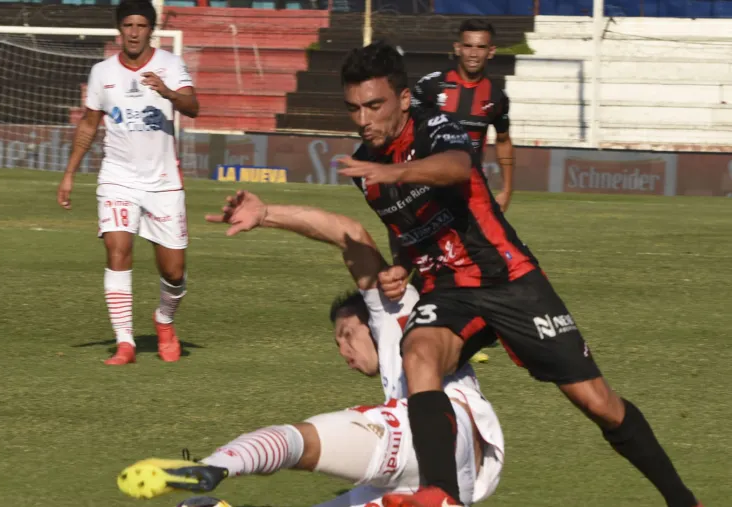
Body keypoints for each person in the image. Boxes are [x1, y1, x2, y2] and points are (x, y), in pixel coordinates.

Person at [335, 41, 700, 507]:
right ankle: (441, 494)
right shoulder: (365, 165)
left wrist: (396, 173)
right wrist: (402, 265)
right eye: (353, 109)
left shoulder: (435, 127)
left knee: (599, 404)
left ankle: (683, 501)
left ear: (403, 100)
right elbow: (404, 227)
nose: (364, 120)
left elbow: (458, 167)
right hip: (449, 288)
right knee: (418, 353)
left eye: (374, 106)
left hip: (509, 279)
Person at [117, 191, 504, 506]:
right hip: (457, 479)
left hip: (435, 432)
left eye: (346, 334)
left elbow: (346, 231)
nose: (344, 351)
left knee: (299, 440)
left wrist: (267, 213)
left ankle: (214, 466)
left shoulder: (394, 309)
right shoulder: (407, 350)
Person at [56, 0, 199, 365]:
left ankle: (164, 321)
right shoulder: (101, 72)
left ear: (151, 29)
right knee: (117, 251)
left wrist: (166, 92)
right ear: (120, 29)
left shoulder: (170, 64)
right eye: (128, 26)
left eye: (141, 26)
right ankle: (125, 343)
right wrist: (70, 173)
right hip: (117, 179)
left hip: (163, 182)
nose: (134, 32)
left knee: (174, 272)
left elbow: (193, 105)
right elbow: (89, 124)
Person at [411, 19, 513, 213]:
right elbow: (402, 127)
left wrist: (506, 190)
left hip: (470, 192)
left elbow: (503, 141)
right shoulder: (430, 86)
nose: (473, 54)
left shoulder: (496, 97)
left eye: (481, 47)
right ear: (457, 48)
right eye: (468, 46)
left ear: (491, 51)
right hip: (426, 190)